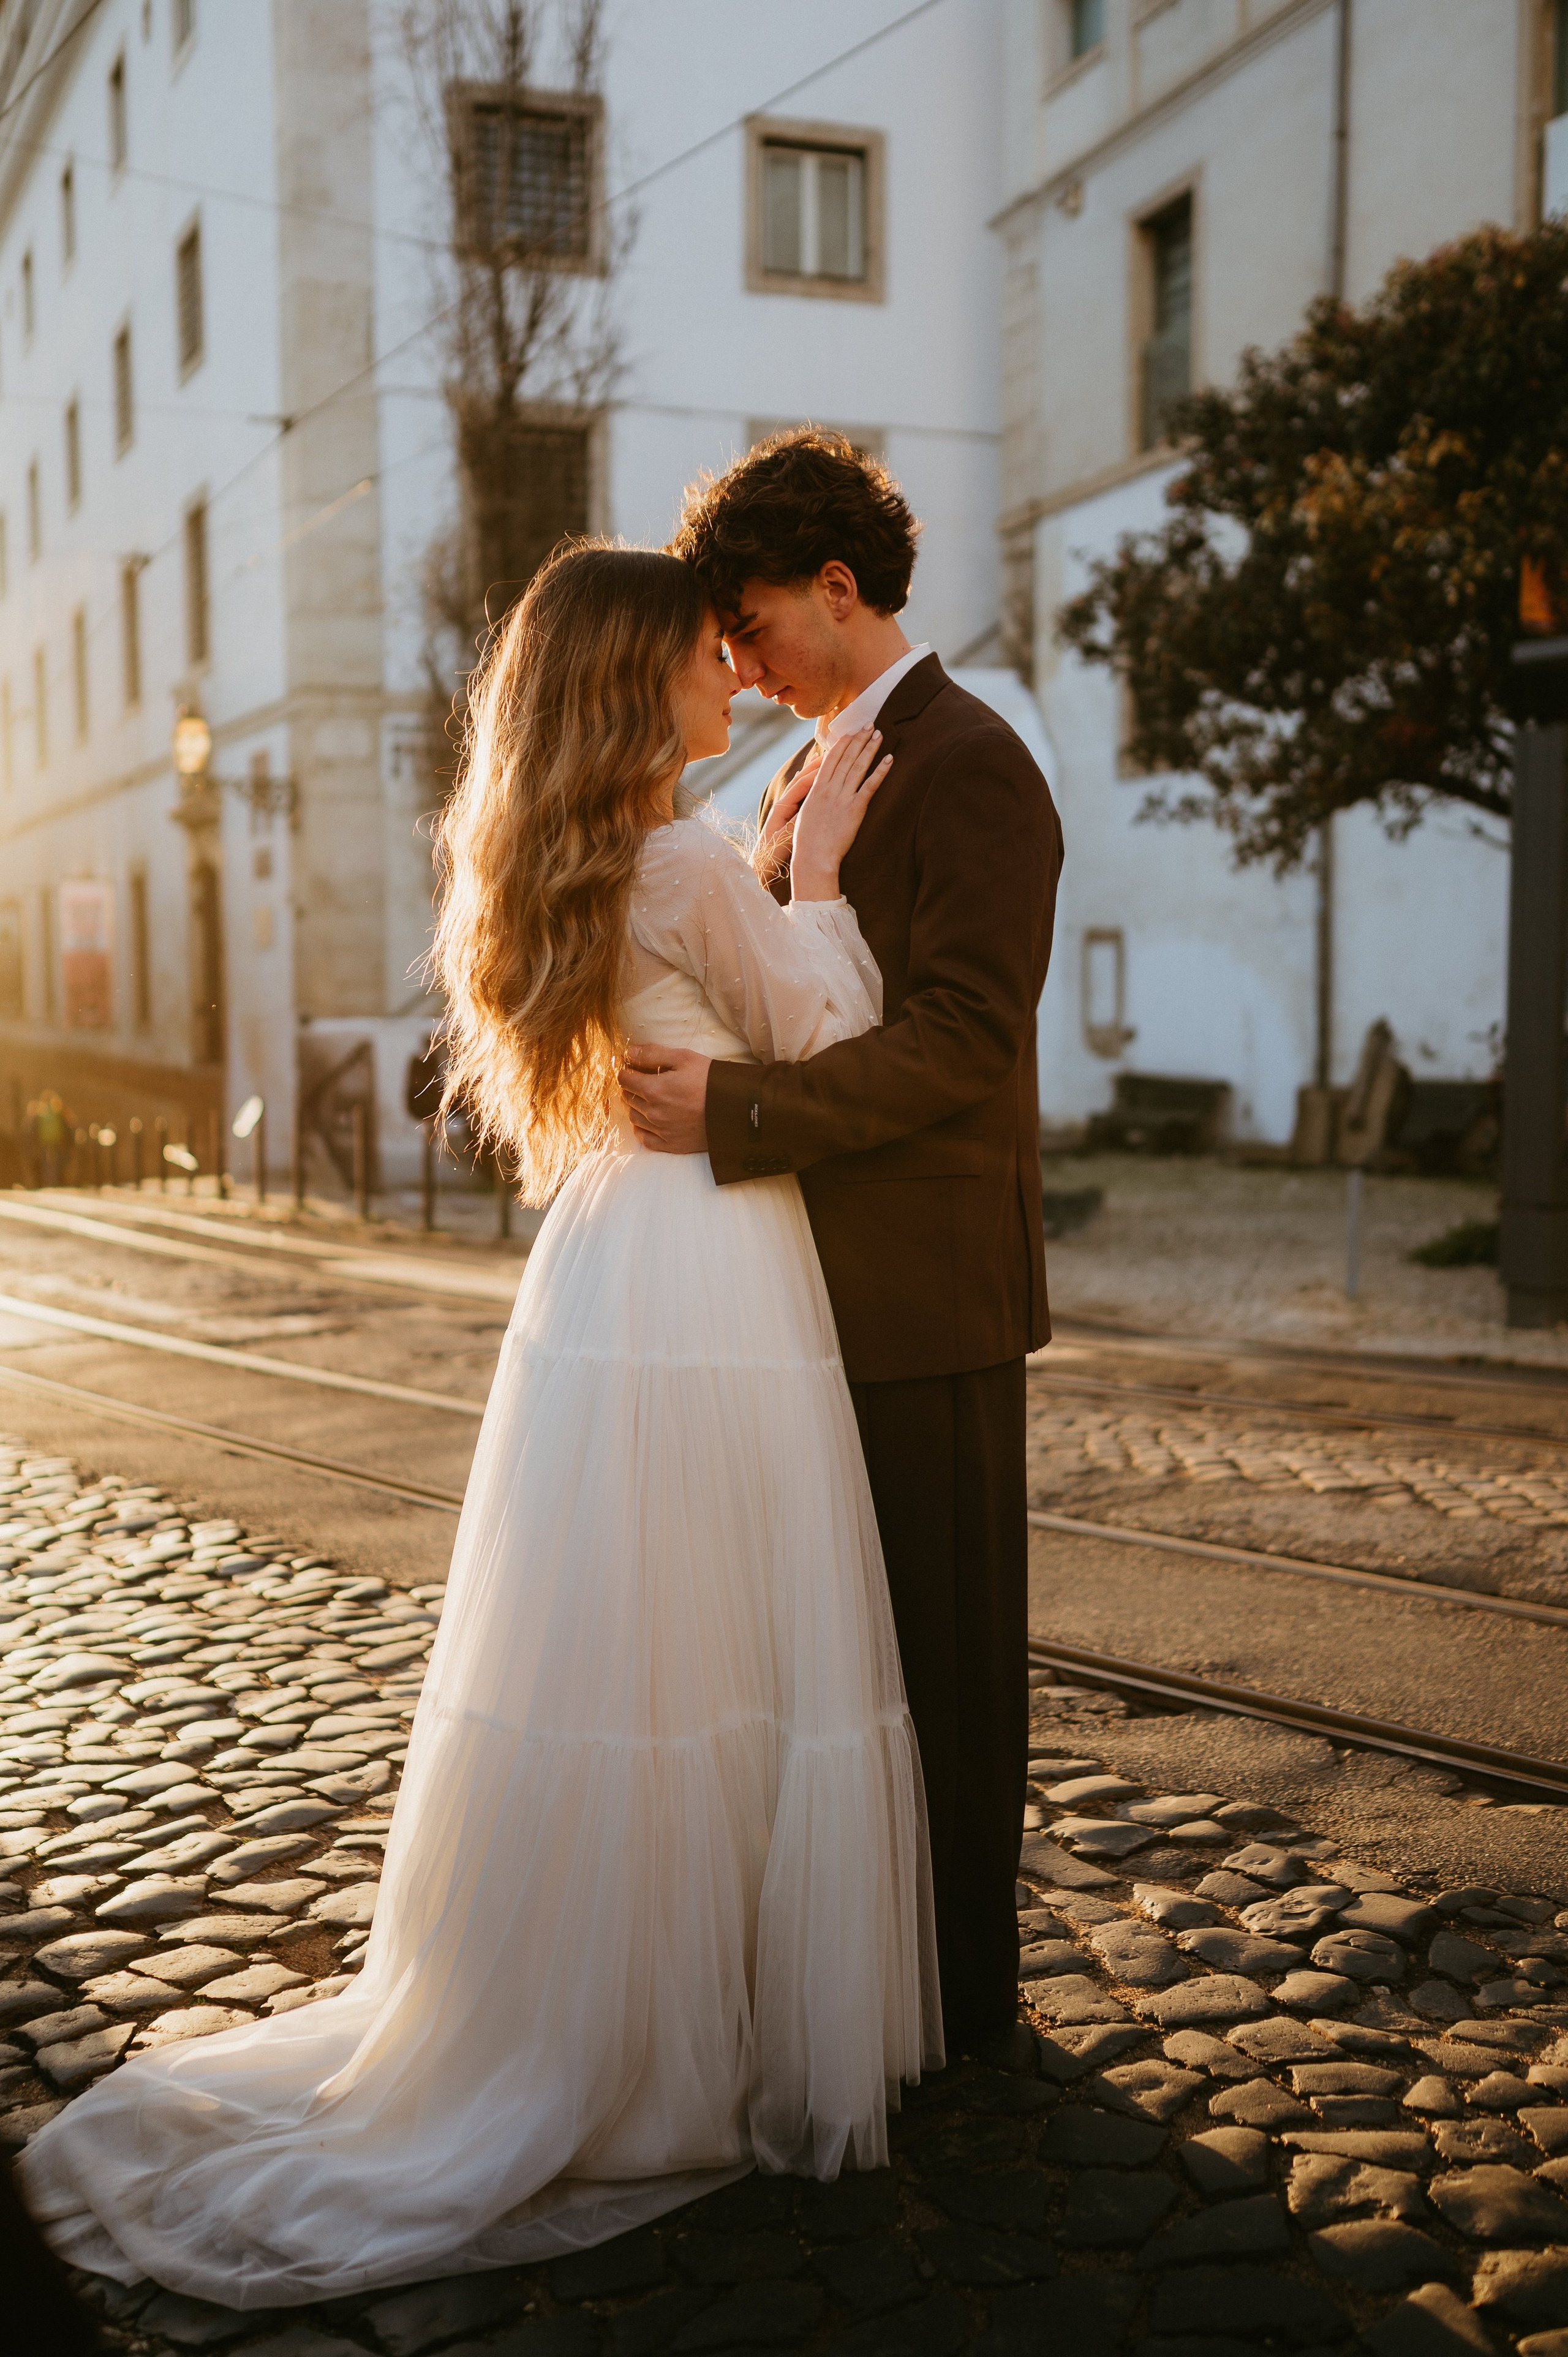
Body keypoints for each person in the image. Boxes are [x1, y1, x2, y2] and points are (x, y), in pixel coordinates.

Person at [18, 545, 940, 2307]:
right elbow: (829, 1029)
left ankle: (592, 2005)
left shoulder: (568, 858)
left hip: (607, 1258)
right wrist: (817, 876)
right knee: (719, 1637)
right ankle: (677, 2042)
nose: (731, 678)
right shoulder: (688, 856)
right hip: (714, 1261)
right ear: (636, 678)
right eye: (704, 654)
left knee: (626, 1642)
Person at [622, 432, 1064, 2055]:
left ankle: (962, 2010)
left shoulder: (974, 762)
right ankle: (859, 1987)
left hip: (926, 1296)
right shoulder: (798, 776)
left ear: (836, 584)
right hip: (796, 1293)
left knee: (944, 1670)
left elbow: (964, 1039)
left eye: (750, 629)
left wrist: (737, 1113)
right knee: (832, 1677)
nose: (739, 668)